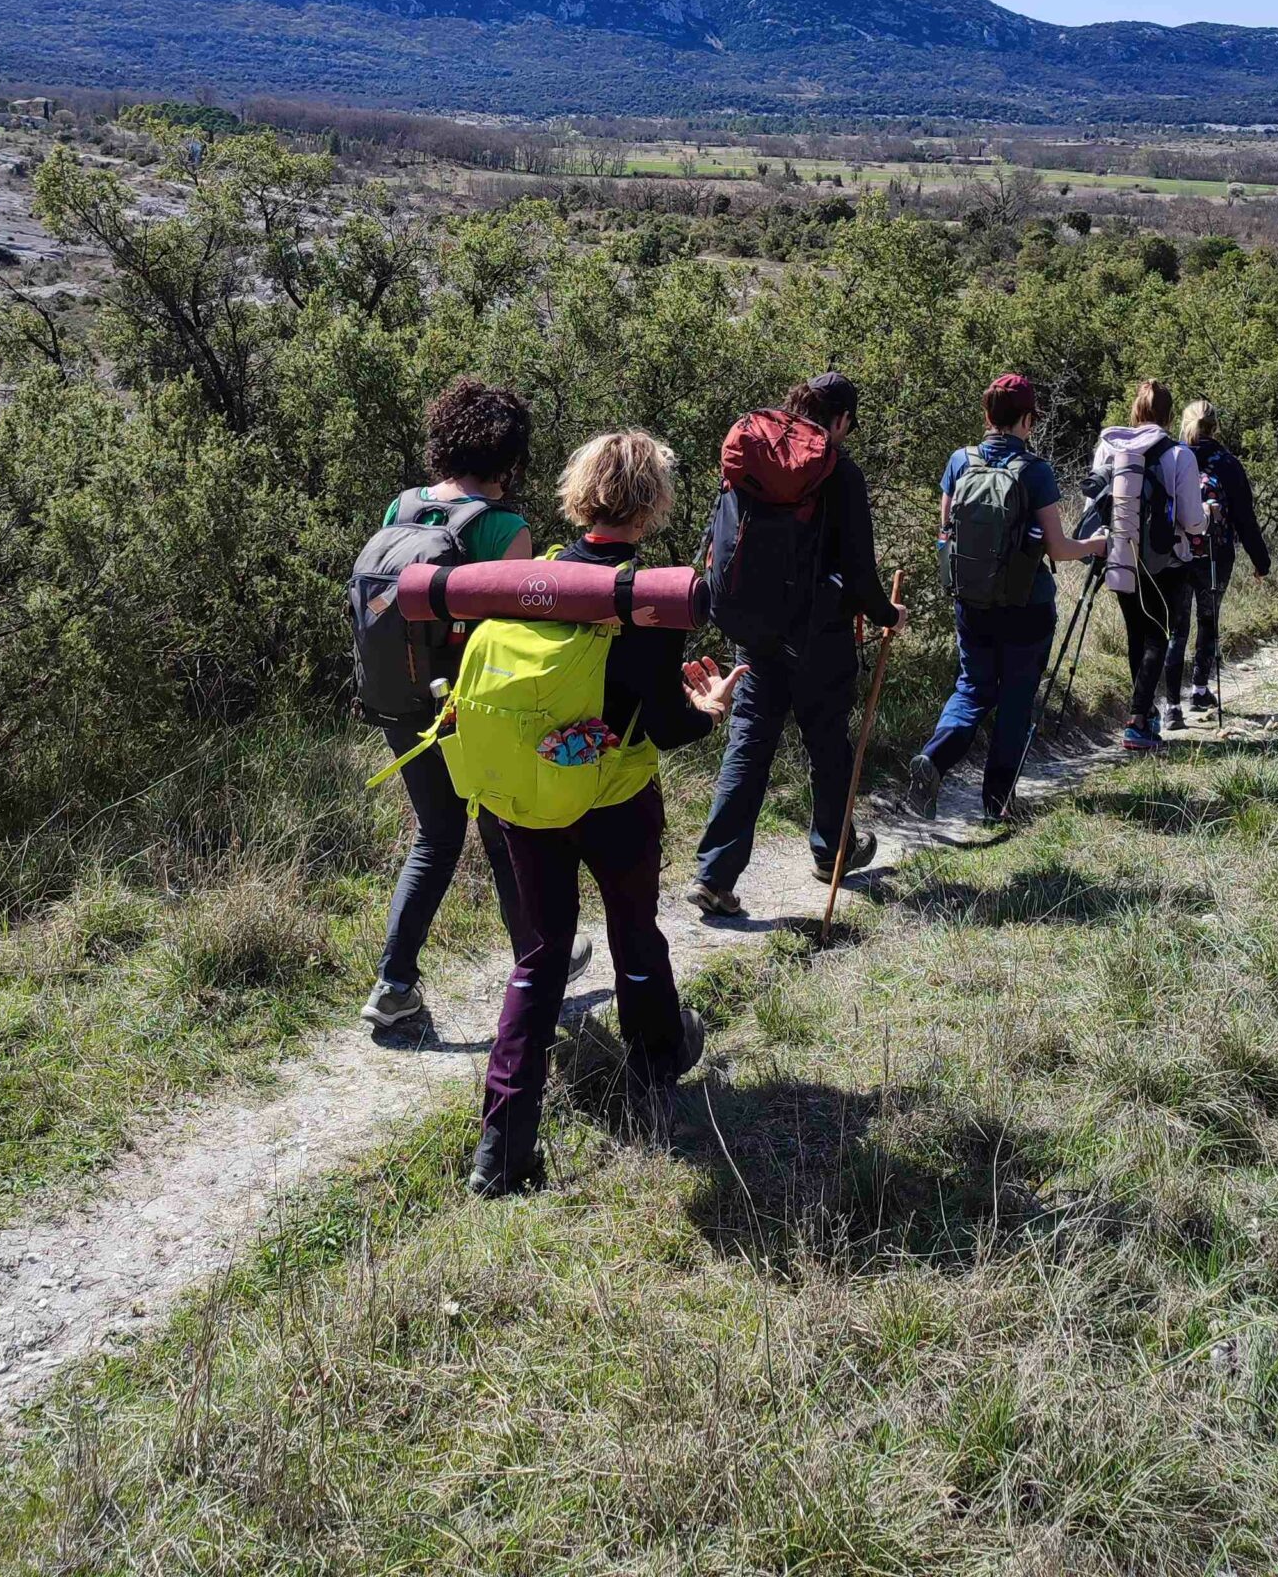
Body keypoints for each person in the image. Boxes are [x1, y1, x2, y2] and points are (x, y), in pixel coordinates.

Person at [472, 430, 742, 1197]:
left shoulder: (536, 576)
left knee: (541, 957)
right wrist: (710, 710)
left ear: (579, 492)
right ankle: (656, 1064)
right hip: (616, 797)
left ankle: (501, 1149)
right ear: (651, 502)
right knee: (633, 927)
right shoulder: (650, 594)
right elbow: (663, 724)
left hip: (527, 796)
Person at [360, 377, 590, 1030]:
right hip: (470, 711)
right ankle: (539, 968)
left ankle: (394, 985)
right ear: (509, 457)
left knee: (436, 834)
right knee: (502, 834)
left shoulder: (400, 509)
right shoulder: (503, 528)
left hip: (397, 700)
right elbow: (516, 646)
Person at [687, 373, 903, 918]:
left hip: (756, 631)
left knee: (750, 743)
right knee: (828, 742)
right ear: (843, 419)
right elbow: (859, 572)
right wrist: (887, 614)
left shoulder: (753, 454)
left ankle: (715, 876)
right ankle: (833, 853)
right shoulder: (839, 471)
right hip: (819, 636)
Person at [907, 373, 1107, 825]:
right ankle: (997, 803)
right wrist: (1097, 544)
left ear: (986, 415)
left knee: (972, 687)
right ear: (1028, 421)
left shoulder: (960, 461)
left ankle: (934, 760)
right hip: (1026, 606)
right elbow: (1058, 549)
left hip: (971, 602)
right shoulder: (1035, 472)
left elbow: (945, 535)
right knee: (1016, 699)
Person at [1090, 379, 1208, 750]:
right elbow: (1191, 520)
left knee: (1136, 634)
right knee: (1158, 635)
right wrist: (1207, 515)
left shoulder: (1109, 448)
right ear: (1170, 416)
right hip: (1164, 561)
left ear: (1135, 412)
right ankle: (1139, 719)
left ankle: (1146, 715)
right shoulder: (1179, 455)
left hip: (1119, 553)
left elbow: (1094, 505)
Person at [1164, 399, 1271, 714]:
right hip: (1216, 554)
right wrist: (1261, 563)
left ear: (1184, 424)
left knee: (1177, 627)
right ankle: (1199, 690)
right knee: (1208, 621)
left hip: (1178, 553)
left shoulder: (1172, 458)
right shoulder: (1227, 463)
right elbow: (1245, 519)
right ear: (1216, 426)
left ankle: (1171, 708)